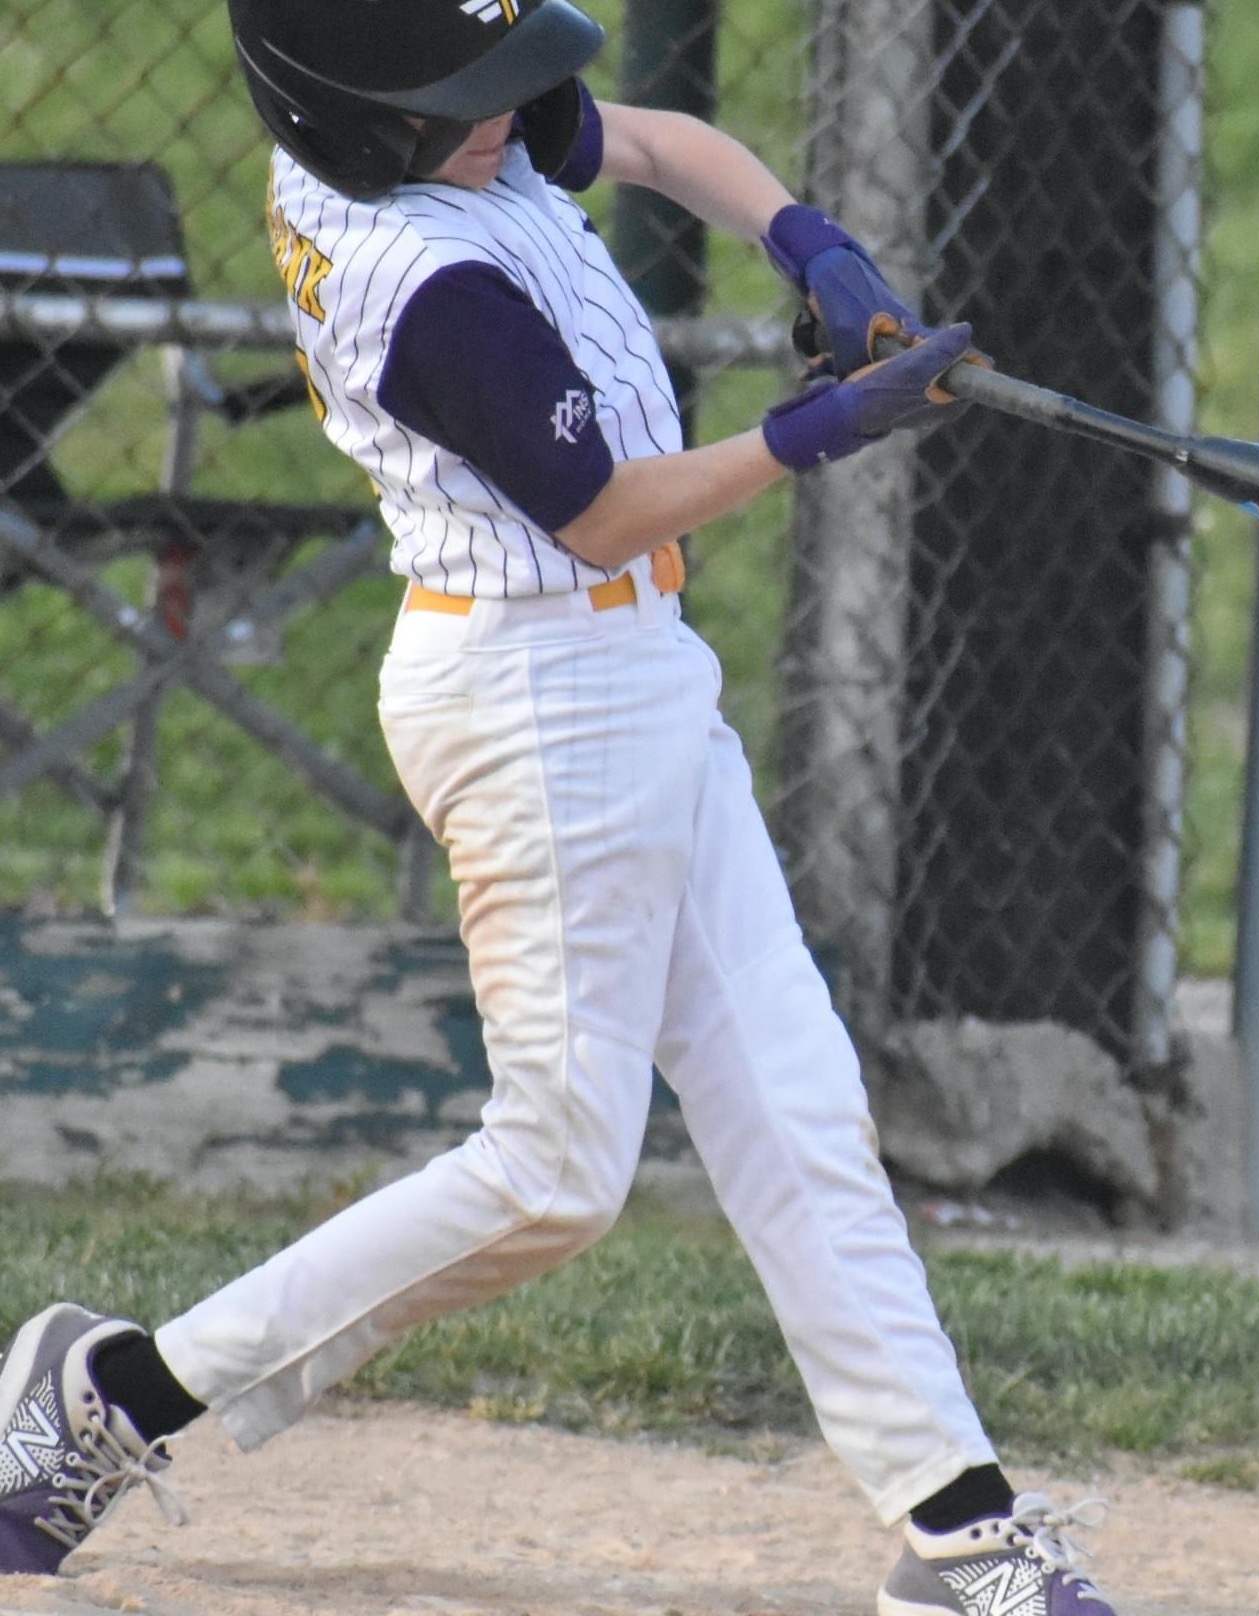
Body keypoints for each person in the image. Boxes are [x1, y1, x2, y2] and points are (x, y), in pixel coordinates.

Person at [0, 3, 1119, 1612]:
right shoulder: (420, 287)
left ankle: (959, 1530)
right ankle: (114, 1399)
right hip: (536, 701)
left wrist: (808, 243)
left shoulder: (432, 129)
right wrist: (815, 431)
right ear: (355, 122)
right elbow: (602, 515)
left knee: (797, 1109)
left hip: (629, 675)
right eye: (474, 96)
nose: (514, 114)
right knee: (553, 1175)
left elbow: (654, 141)